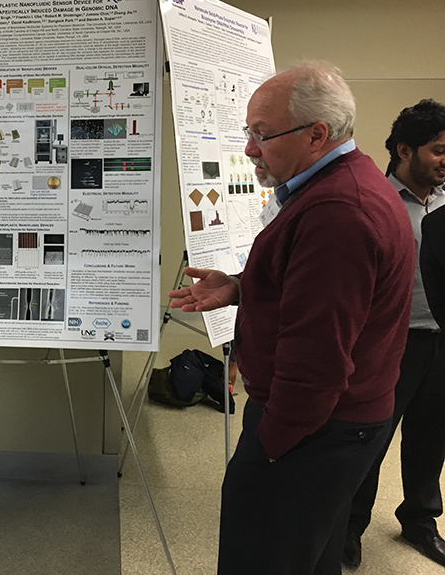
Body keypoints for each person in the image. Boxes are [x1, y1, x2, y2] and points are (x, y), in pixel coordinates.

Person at [168, 62, 415, 575]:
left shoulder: (339, 212)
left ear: (317, 135)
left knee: (265, 557)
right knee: (304, 553)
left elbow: (318, 361)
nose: (250, 149)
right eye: (248, 133)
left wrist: (272, 444)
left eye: (262, 134)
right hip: (331, 422)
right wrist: (241, 286)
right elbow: (320, 293)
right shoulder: (342, 189)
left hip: (311, 427)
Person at [346, 99, 445, 568]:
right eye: (439, 150)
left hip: (440, 341)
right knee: (371, 438)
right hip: (391, 343)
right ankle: (348, 526)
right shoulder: (374, 203)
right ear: (405, 150)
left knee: (432, 438)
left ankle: (421, 520)